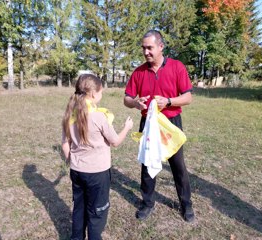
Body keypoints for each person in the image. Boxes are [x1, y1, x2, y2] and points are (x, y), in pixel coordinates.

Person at [123, 30, 195, 222]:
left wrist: (169, 101)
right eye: (143, 48)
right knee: (147, 166)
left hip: (171, 124)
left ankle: (186, 205)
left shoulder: (177, 67)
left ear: (161, 46)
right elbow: (127, 99)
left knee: (178, 166)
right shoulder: (138, 72)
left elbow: (188, 97)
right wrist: (135, 103)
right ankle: (147, 204)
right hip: (148, 124)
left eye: (150, 47)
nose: (146, 52)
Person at [62, 74, 133, 240]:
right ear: (93, 94)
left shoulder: (70, 115)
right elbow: (114, 141)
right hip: (97, 174)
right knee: (97, 212)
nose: (101, 96)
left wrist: (70, 161)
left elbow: (65, 143)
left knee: (79, 208)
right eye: (101, 92)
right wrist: (127, 127)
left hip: (77, 171)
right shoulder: (98, 117)